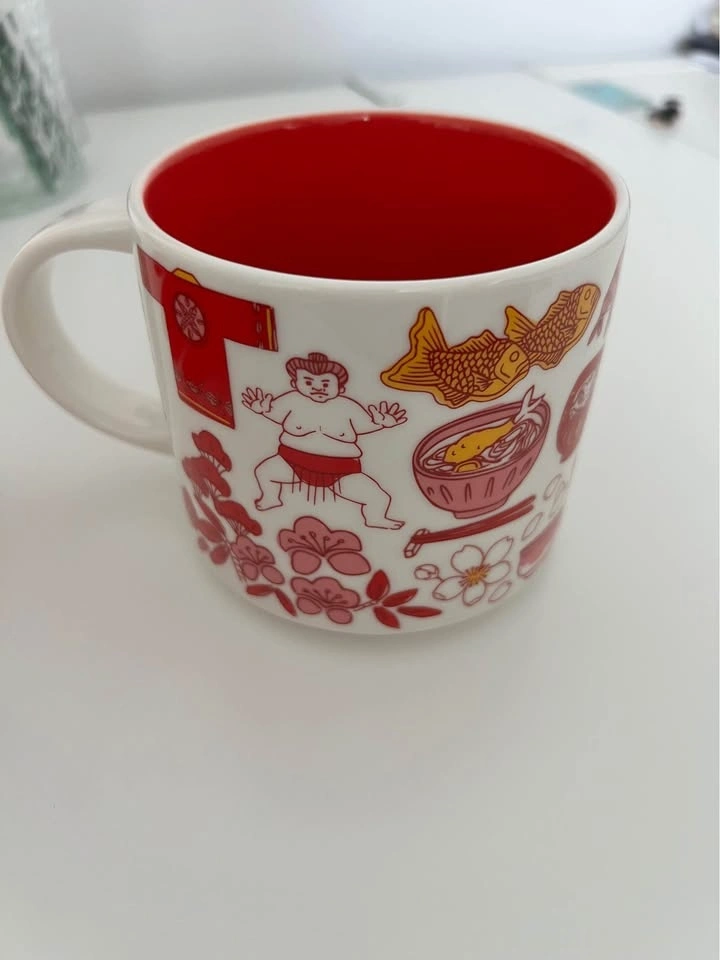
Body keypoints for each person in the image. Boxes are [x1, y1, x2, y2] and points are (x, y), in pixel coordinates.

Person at [242, 352, 406, 529]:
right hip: (292, 462)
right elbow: (273, 413)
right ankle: (271, 498)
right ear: (294, 384)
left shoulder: (349, 408)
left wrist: (382, 424)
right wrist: (261, 410)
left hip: (342, 471)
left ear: (341, 389)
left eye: (326, 383)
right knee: (264, 472)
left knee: (379, 498)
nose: (318, 387)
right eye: (308, 382)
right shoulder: (290, 401)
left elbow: (367, 425)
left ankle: (375, 518)